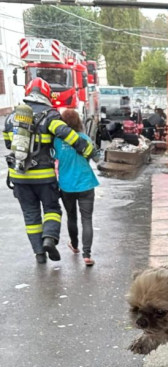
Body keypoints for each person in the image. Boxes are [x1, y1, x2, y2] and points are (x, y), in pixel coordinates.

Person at [3, 78, 96, 264]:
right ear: (46, 94)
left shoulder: (12, 117)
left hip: (19, 176)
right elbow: (66, 134)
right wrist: (86, 149)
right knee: (52, 209)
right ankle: (49, 238)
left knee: (30, 215)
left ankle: (39, 254)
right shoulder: (50, 116)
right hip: (44, 177)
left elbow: (8, 143)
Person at [53, 109, 100, 267]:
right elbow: (95, 157)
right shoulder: (84, 138)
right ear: (78, 122)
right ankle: (87, 255)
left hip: (67, 185)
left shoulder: (57, 141)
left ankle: (74, 245)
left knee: (71, 217)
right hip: (86, 183)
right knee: (87, 219)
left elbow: (53, 158)